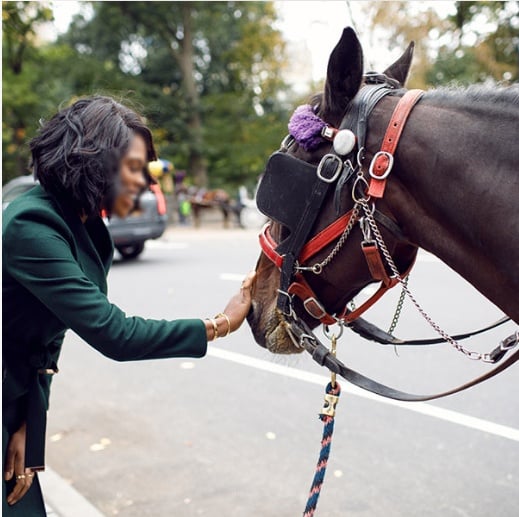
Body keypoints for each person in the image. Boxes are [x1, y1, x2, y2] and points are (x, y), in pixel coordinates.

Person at [2, 95, 256, 515]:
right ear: (95, 163)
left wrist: (29, 422)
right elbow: (114, 334)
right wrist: (220, 323)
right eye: (135, 169)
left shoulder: (84, 226)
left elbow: (48, 338)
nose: (147, 184)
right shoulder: (33, 226)